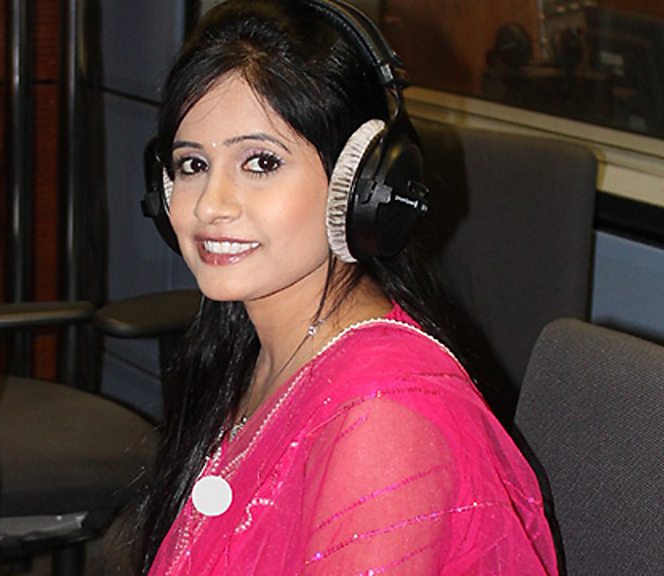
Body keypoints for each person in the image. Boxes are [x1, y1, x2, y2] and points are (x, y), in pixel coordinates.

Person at [134, 0, 559, 574]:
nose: (211, 205)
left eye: (261, 162)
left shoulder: (384, 421)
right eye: (192, 165)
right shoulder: (261, 349)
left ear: (360, 187)